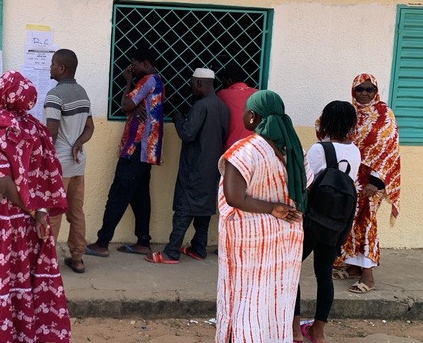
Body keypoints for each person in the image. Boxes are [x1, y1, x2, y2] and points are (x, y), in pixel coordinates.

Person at [0, 70, 71, 342]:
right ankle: (24, 335)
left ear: (1, 95)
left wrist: (29, 209)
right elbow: (46, 177)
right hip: (29, 227)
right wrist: (38, 212)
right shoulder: (37, 130)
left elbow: (3, 183)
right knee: (24, 284)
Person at [215, 90, 312, 343]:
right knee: (275, 300)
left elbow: (235, 197)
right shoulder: (294, 151)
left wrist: (271, 208)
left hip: (250, 239)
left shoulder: (245, 150)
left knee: (247, 300)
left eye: (246, 111)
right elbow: (305, 187)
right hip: (286, 238)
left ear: (252, 116)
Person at [86, 47, 164, 257]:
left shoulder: (147, 80)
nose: (131, 68)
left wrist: (127, 82)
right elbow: (131, 106)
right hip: (145, 150)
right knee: (139, 197)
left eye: (135, 64)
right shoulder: (155, 81)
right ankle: (143, 242)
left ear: (145, 64)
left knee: (118, 194)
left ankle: (102, 243)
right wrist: (132, 105)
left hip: (136, 147)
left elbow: (125, 104)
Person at [145, 68, 229, 264]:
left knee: (184, 209)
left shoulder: (201, 106)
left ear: (199, 83)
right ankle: (198, 248)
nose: (191, 87)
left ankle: (170, 252)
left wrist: (177, 117)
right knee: (204, 210)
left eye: (192, 84)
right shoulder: (222, 107)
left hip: (195, 167)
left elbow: (187, 133)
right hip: (213, 168)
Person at [292, 101, 360, 343]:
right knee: (324, 275)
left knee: (292, 268)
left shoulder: (319, 149)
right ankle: (318, 332)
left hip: (313, 220)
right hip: (337, 223)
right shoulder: (355, 151)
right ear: (351, 124)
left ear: (325, 121)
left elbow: (307, 183)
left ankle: (294, 329)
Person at [332, 73, 402, 294]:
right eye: (359, 89)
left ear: (376, 91)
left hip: (372, 182)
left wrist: (376, 181)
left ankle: (368, 276)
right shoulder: (351, 113)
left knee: (367, 222)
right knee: (350, 221)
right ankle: (353, 266)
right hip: (351, 178)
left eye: (368, 89)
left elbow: (389, 150)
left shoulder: (384, 115)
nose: (363, 93)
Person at [45, 49, 95, 274]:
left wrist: (43, 161)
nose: (50, 67)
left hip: (59, 164)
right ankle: (77, 258)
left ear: (62, 68)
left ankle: (48, 260)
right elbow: (89, 127)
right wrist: (78, 143)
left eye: (53, 63)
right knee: (76, 211)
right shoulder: (83, 93)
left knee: (53, 212)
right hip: (78, 162)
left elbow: (51, 133)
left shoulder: (54, 96)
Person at [217, 63, 257, 151]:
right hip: (253, 149)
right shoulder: (257, 94)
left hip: (232, 150)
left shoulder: (222, 95)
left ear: (229, 81)